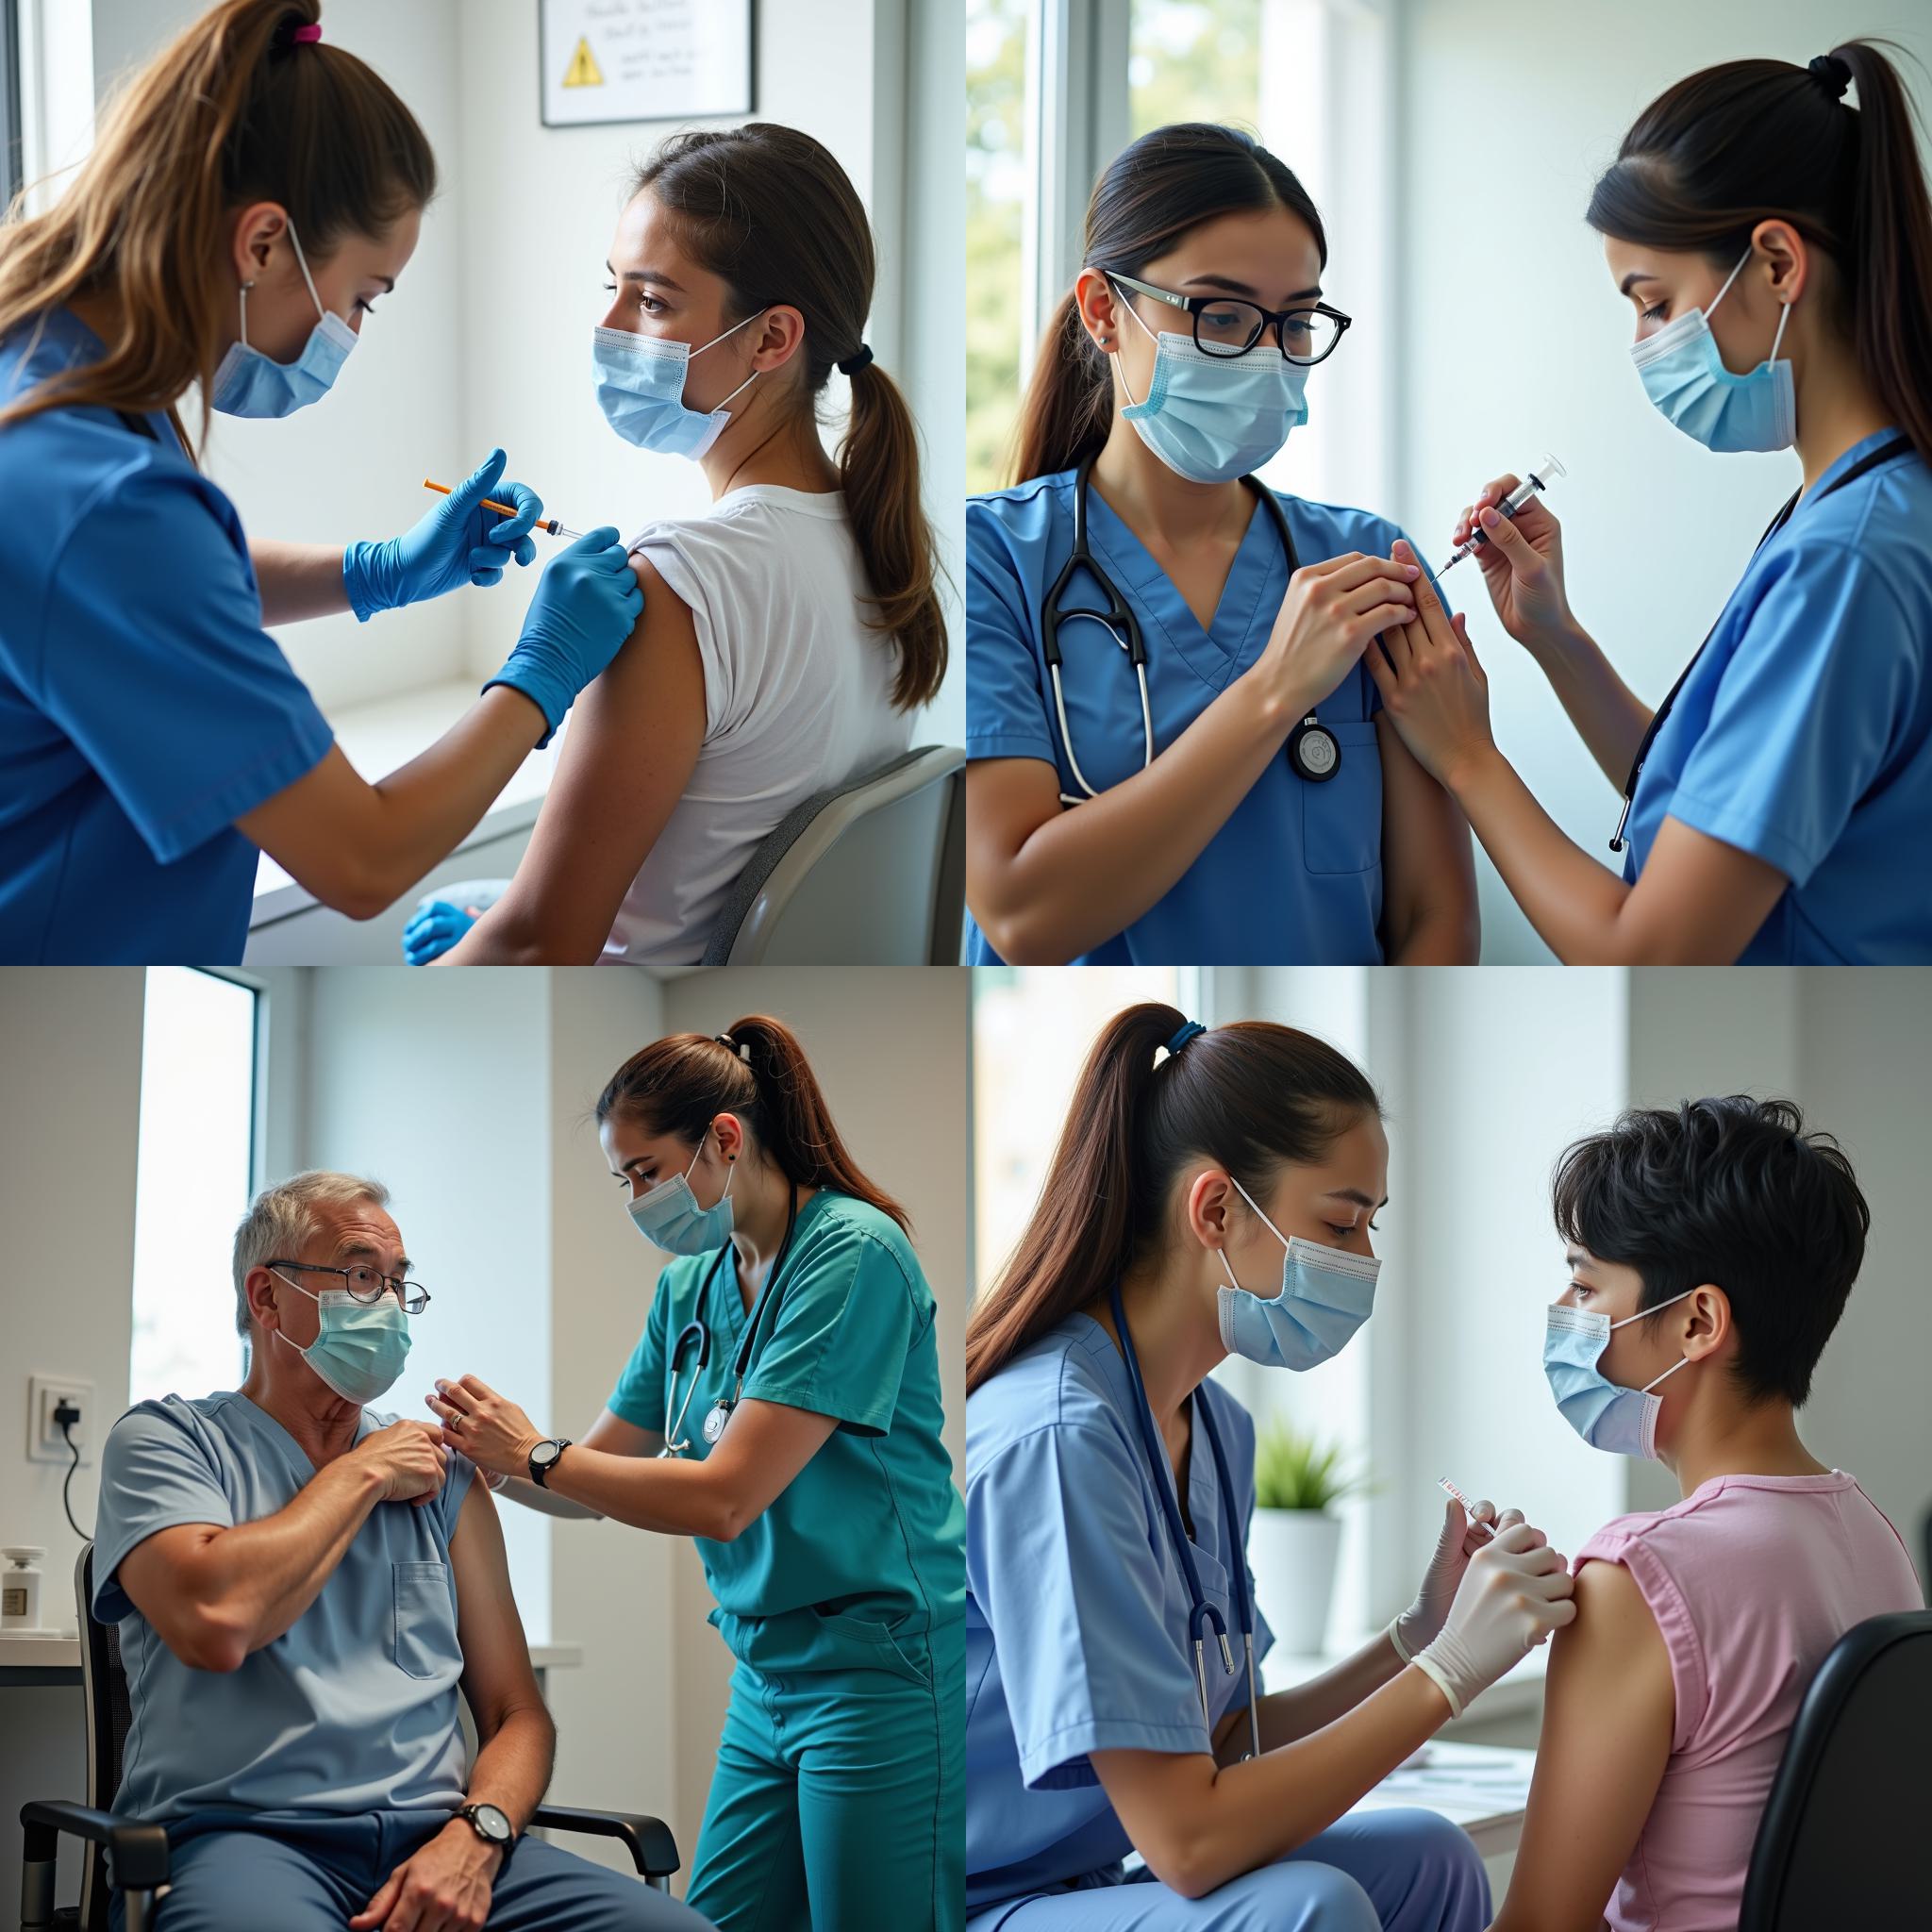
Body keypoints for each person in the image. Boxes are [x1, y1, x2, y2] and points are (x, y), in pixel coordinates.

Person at [0, 0, 642, 965]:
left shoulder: (47, 361)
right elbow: (364, 858)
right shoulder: (98, 497)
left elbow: (132, 606)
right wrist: (541, 672)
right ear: (262, 243)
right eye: (359, 298)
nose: (349, 332)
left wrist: (379, 569)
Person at [963, 1004, 1574, 1929]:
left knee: (1430, 1857)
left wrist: (1416, 1633)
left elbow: (1217, 1742)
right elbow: (1188, 1838)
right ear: (1213, 1208)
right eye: (1339, 1222)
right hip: (979, 1900)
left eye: (1370, 1224)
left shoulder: (1213, 1430)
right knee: (1311, 1907)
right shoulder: (1057, 1438)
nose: (1364, 1259)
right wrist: (1448, 1673)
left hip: (1095, 1878)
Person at [1369, 42, 1932, 964]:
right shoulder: (1857, 507)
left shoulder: (1847, 556)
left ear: (1777, 263)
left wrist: (1466, 755)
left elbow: (1654, 950)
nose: (1640, 344)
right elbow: (1716, 806)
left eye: (1654, 303)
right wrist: (1554, 638)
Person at [421, 1017, 965, 1930]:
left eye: (645, 1170)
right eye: (623, 1177)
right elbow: (590, 1476)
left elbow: (723, 1495)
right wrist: (465, 1455)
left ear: (723, 1137)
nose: (636, 1197)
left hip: (878, 1667)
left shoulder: (851, 1253)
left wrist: (533, 1453)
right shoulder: (690, 1289)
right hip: (765, 1672)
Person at [91, 1172, 708, 1932]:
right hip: (242, 1841)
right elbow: (216, 1618)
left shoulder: (446, 1480)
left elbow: (519, 1714)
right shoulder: (167, 1443)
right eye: (358, 1275)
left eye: (397, 1284)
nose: (385, 1304)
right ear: (266, 1297)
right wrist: (365, 1470)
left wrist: (477, 1837)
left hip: (441, 1839)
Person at [405, 124, 944, 966]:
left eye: (651, 302)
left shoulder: (680, 586)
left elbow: (540, 943)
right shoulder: (881, 544)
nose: (608, 326)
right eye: (613, 288)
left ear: (771, 339)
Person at [963, 124, 1477, 968]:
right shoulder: (994, 556)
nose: (1267, 355)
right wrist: (1275, 692)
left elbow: (1437, 921)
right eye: (1222, 314)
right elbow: (1023, 918)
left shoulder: (1371, 562)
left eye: (1297, 322)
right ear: (1104, 311)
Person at [1489, 1098, 1924, 1932]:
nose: (1564, 1313)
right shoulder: (1877, 1539)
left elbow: (1544, 1921)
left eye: (1584, 1284)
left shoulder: (1638, 1577)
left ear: (1696, 1322)